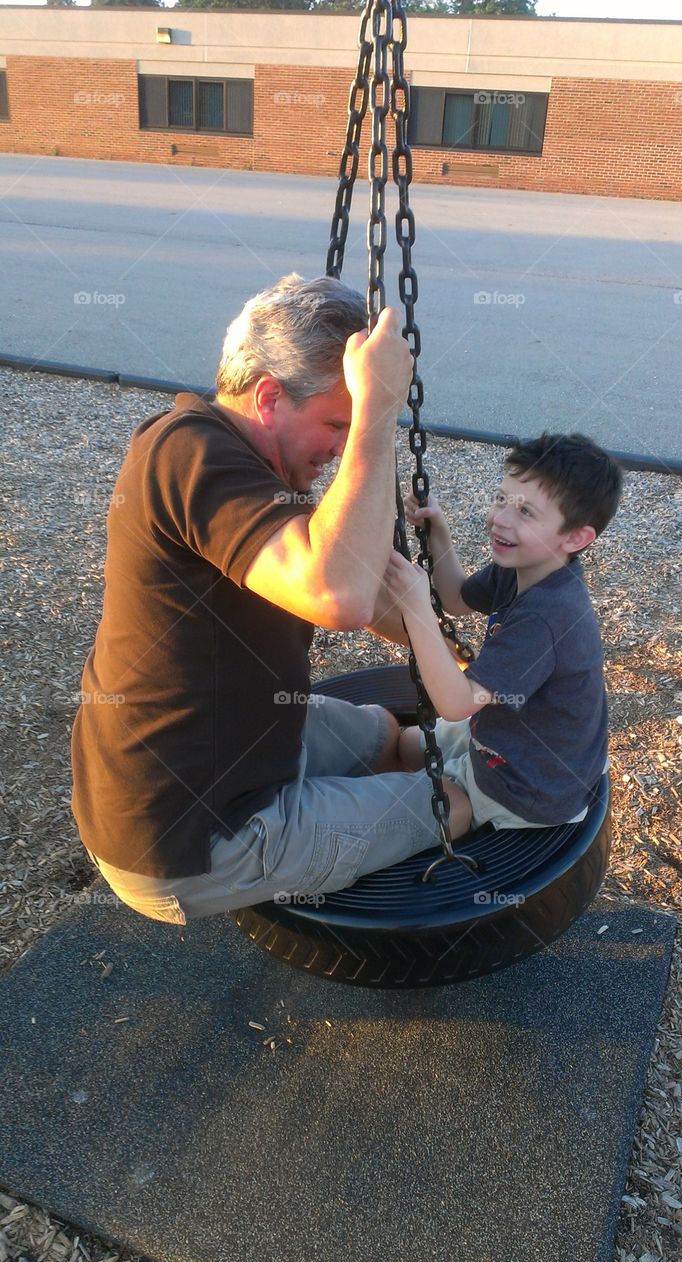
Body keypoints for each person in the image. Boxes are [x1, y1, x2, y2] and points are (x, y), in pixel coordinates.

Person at [70, 274, 471, 925]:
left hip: (231, 745)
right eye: (334, 423)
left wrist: (448, 626)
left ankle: (354, 817)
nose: (342, 446)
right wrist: (375, 415)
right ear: (267, 397)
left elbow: (378, 605)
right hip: (189, 835)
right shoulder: (186, 454)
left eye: (349, 425)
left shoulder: (247, 472)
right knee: (455, 799)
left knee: (384, 735)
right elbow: (336, 596)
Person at [383, 432, 623, 832]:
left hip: (531, 786)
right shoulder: (526, 568)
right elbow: (457, 596)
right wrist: (438, 530)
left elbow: (457, 703)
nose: (501, 519)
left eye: (526, 512)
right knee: (404, 746)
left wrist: (415, 606)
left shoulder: (548, 617)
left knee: (412, 803)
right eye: (501, 499)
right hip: (511, 734)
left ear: (576, 537)